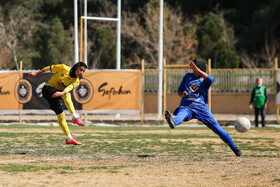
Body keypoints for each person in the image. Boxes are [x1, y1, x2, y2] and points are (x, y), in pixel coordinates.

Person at [165, 59, 243, 156]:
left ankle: (234, 148)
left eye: (195, 69)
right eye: (193, 69)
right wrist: (182, 94)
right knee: (182, 114)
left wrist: (198, 70)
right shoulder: (187, 76)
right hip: (187, 105)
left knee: (219, 130)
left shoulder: (204, 80)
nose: (194, 71)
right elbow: (179, 92)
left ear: (200, 69)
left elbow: (211, 79)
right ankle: (173, 121)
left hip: (201, 108)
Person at [28, 62, 88, 145]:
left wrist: (60, 93)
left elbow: (68, 89)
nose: (81, 73)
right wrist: (36, 73)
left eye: (83, 71)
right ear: (76, 67)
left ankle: (69, 138)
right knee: (66, 94)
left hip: (56, 94)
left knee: (61, 115)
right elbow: (48, 68)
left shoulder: (76, 81)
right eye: (80, 70)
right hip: (47, 90)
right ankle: (75, 117)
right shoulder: (63, 68)